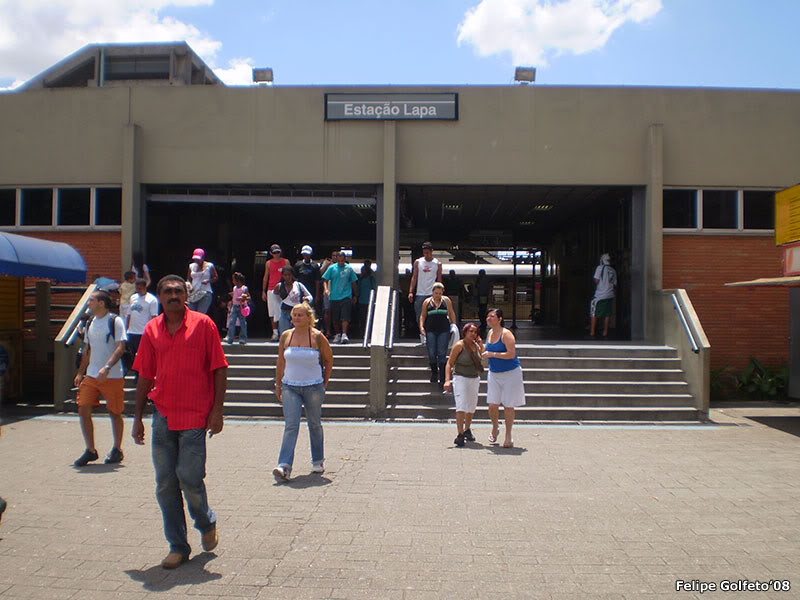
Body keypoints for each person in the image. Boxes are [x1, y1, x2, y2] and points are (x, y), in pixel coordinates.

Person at [131, 275, 228, 570]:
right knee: (165, 484)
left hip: (196, 415)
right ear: (159, 297)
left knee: (189, 477)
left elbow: (219, 368)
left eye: (178, 291)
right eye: (167, 292)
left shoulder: (204, 325)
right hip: (163, 414)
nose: (173, 295)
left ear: (187, 295)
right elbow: (145, 375)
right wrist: (136, 418)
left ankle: (205, 521)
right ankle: (177, 545)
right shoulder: (151, 330)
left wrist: (217, 410)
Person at [272, 302, 333, 482]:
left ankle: (318, 460)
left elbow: (329, 360)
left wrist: (324, 383)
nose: (296, 318)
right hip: (290, 386)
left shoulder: (317, 337)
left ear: (309, 318)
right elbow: (280, 362)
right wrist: (278, 384)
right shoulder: (285, 336)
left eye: (300, 315)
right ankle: (284, 466)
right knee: (291, 425)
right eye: (294, 315)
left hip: (313, 386)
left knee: (314, 424)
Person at [72, 290, 128, 466]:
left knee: (115, 412)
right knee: (83, 408)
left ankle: (117, 449)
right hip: (92, 374)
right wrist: (81, 372)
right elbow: (87, 350)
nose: (88, 303)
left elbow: (120, 348)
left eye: (91, 300)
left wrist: (107, 367)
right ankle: (90, 450)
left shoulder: (115, 321)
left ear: (101, 303)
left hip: (112, 375)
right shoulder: (90, 322)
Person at [481, 308, 525, 448]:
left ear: (499, 319)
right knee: (492, 405)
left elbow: (511, 354)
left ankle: (508, 436)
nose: (489, 319)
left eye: (492, 316)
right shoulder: (489, 333)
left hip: (511, 373)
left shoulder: (506, 334)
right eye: (488, 316)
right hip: (494, 373)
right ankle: (495, 427)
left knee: (508, 405)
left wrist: (493, 354)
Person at [444, 322, 485, 447]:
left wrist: (481, 346)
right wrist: (447, 380)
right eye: (470, 331)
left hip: (474, 377)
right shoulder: (459, 345)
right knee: (461, 405)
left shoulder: (476, 345)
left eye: (475, 332)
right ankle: (460, 434)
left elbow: (481, 359)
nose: (473, 334)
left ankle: (467, 429)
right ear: (465, 332)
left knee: (471, 405)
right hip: (460, 377)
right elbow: (449, 363)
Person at [419, 282, 457, 386]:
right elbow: (423, 315)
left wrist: (454, 324)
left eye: (440, 293)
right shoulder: (427, 302)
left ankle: (442, 376)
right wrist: (421, 327)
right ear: (432, 292)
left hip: (443, 330)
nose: (438, 295)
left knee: (442, 353)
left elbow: (451, 312)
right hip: (430, 330)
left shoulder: (446, 301)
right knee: (431, 353)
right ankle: (434, 373)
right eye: (436, 293)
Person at [321, 251, 358, 344]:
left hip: (346, 296)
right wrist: (326, 289)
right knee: (335, 318)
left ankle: (344, 334)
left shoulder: (349, 269)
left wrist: (355, 295)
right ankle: (337, 334)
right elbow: (325, 279)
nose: (341, 262)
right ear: (337, 259)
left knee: (345, 316)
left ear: (345, 259)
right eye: (339, 260)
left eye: (342, 260)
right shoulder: (332, 268)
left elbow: (354, 282)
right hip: (334, 296)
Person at [126, 279, 159, 379]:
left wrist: (153, 332)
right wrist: (126, 328)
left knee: (143, 356)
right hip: (132, 331)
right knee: (132, 355)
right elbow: (129, 314)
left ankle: (140, 375)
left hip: (144, 332)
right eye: (137, 288)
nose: (138, 290)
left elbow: (154, 317)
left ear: (145, 287)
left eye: (140, 288)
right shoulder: (133, 297)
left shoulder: (151, 300)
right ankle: (136, 372)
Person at [408, 242, 442, 335]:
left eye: (428, 252)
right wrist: (411, 291)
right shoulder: (418, 262)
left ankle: (431, 333)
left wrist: (440, 293)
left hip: (432, 294)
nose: (426, 255)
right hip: (420, 293)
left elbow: (439, 279)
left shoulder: (437, 264)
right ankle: (422, 333)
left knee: (433, 315)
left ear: (432, 251)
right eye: (424, 253)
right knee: (420, 314)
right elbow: (414, 277)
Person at [273, 266, 313, 336]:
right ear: (282, 276)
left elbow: (310, 297)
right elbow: (275, 299)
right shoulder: (278, 286)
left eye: (289, 275)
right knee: (284, 335)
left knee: (298, 334)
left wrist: (306, 299)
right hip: (284, 312)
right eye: (285, 275)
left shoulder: (298, 285)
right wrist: (278, 310)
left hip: (297, 314)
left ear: (292, 275)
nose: (287, 277)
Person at [262, 244, 289, 341]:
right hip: (271, 288)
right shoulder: (268, 263)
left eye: (278, 252)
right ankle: (275, 332)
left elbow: (289, 274)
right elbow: (266, 277)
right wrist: (263, 291)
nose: (276, 254)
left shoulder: (285, 262)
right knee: (272, 312)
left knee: (284, 310)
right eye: (274, 253)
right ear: (271, 253)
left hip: (283, 289)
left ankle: (284, 332)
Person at [590, 253, 617, 339]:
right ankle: (605, 332)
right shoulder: (613, 270)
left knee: (593, 313)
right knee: (607, 314)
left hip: (599, 295)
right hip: (609, 295)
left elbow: (596, 281)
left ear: (601, 260)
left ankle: (592, 332)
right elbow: (614, 284)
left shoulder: (600, 268)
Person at [186, 248, 218, 315]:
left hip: (205, 292)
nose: (196, 260)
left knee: (200, 314)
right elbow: (189, 279)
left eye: (198, 259)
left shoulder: (209, 266)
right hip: (193, 293)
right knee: (191, 313)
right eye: (195, 259)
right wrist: (189, 285)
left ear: (203, 258)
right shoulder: (191, 266)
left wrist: (208, 281)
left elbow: (215, 277)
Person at [294, 245, 321, 311]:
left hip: (311, 291)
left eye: (307, 254)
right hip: (300, 292)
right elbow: (294, 279)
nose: (306, 256)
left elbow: (317, 281)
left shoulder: (315, 266)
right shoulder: (298, 265)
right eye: (304, 254)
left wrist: (317, 295)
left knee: (310, 310)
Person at [226, 272, 250, 344]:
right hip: (234, 306)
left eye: (233, 280)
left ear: (237, 280)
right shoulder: (234, 288)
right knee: (231, 322)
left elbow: (248, 297)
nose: (233, 282)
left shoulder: (244, 288)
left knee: (242, 323)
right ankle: (230, 337)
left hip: (241, 307)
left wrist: (243, 298)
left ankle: (243, 338)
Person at [319, 250, 339, 336]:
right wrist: (326, 264)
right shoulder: (326, 263)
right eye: (333, 255)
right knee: (327, 311)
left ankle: (337, 332)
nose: (334, 257)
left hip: (339, 293)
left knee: (337, 312)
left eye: (336, 256)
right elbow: (320, 274)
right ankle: (328, 331)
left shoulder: (342, 265)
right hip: (327, 291)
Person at [356, 260, 377, 337]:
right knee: (362, 317)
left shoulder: (372, 277)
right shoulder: (360, 279)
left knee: (370, 317)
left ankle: (370, 332)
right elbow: (358, 289)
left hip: (370, 301)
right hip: (361, 301)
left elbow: (374, 288)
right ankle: (362, 332)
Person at [476, 269, 490, 334]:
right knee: (482, 311)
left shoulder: (482, 280)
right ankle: (483, 323)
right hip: (482, 297)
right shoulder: (485, 280)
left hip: (482, 297)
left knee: (482, 311)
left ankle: (483, 324)